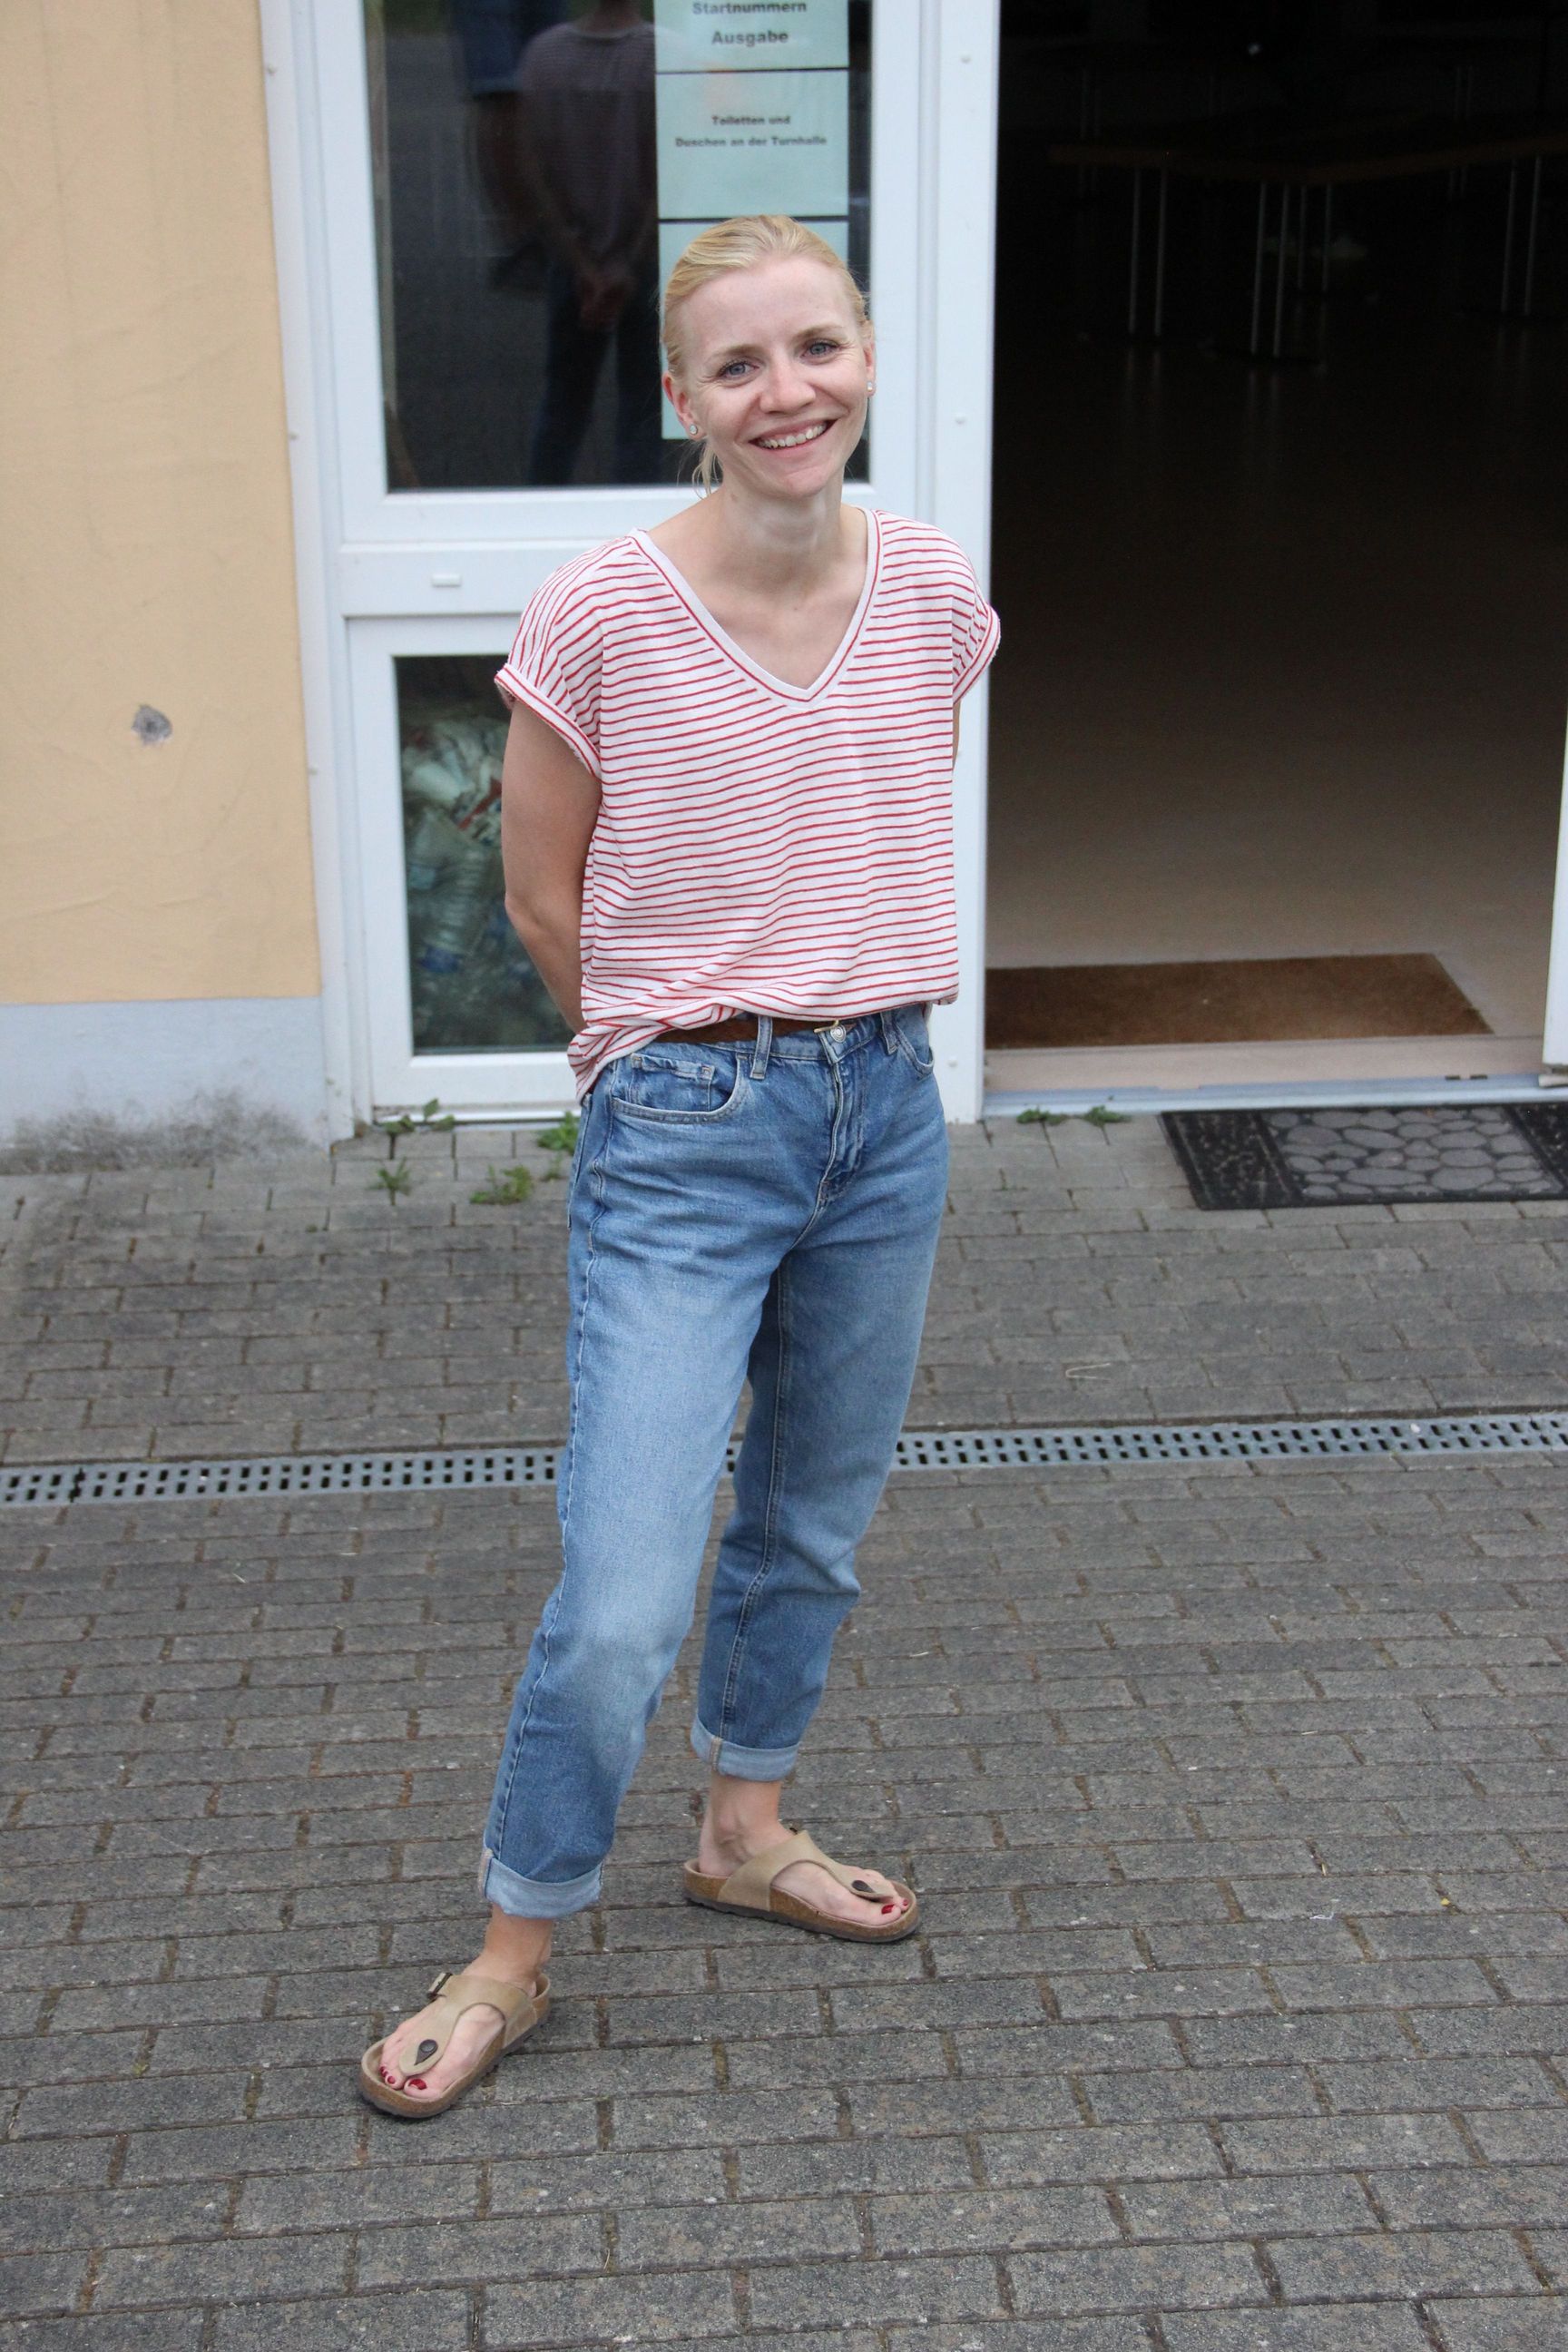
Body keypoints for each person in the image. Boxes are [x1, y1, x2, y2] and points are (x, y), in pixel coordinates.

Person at [358, 213, 1000, 2118]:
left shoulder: (939, 586)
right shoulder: (603, 612)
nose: (786, 392)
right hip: (691, 1129)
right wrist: (662, 1056)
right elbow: (540, 896)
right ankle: (513, 1947)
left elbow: (873, 818)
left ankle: (743, 1830)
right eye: (739, 365)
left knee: (811, 1522)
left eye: (816, 348)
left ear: (864, 354)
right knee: (626, 1586)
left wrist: (833, 1022)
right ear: (681, 399)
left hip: (885, 1109)